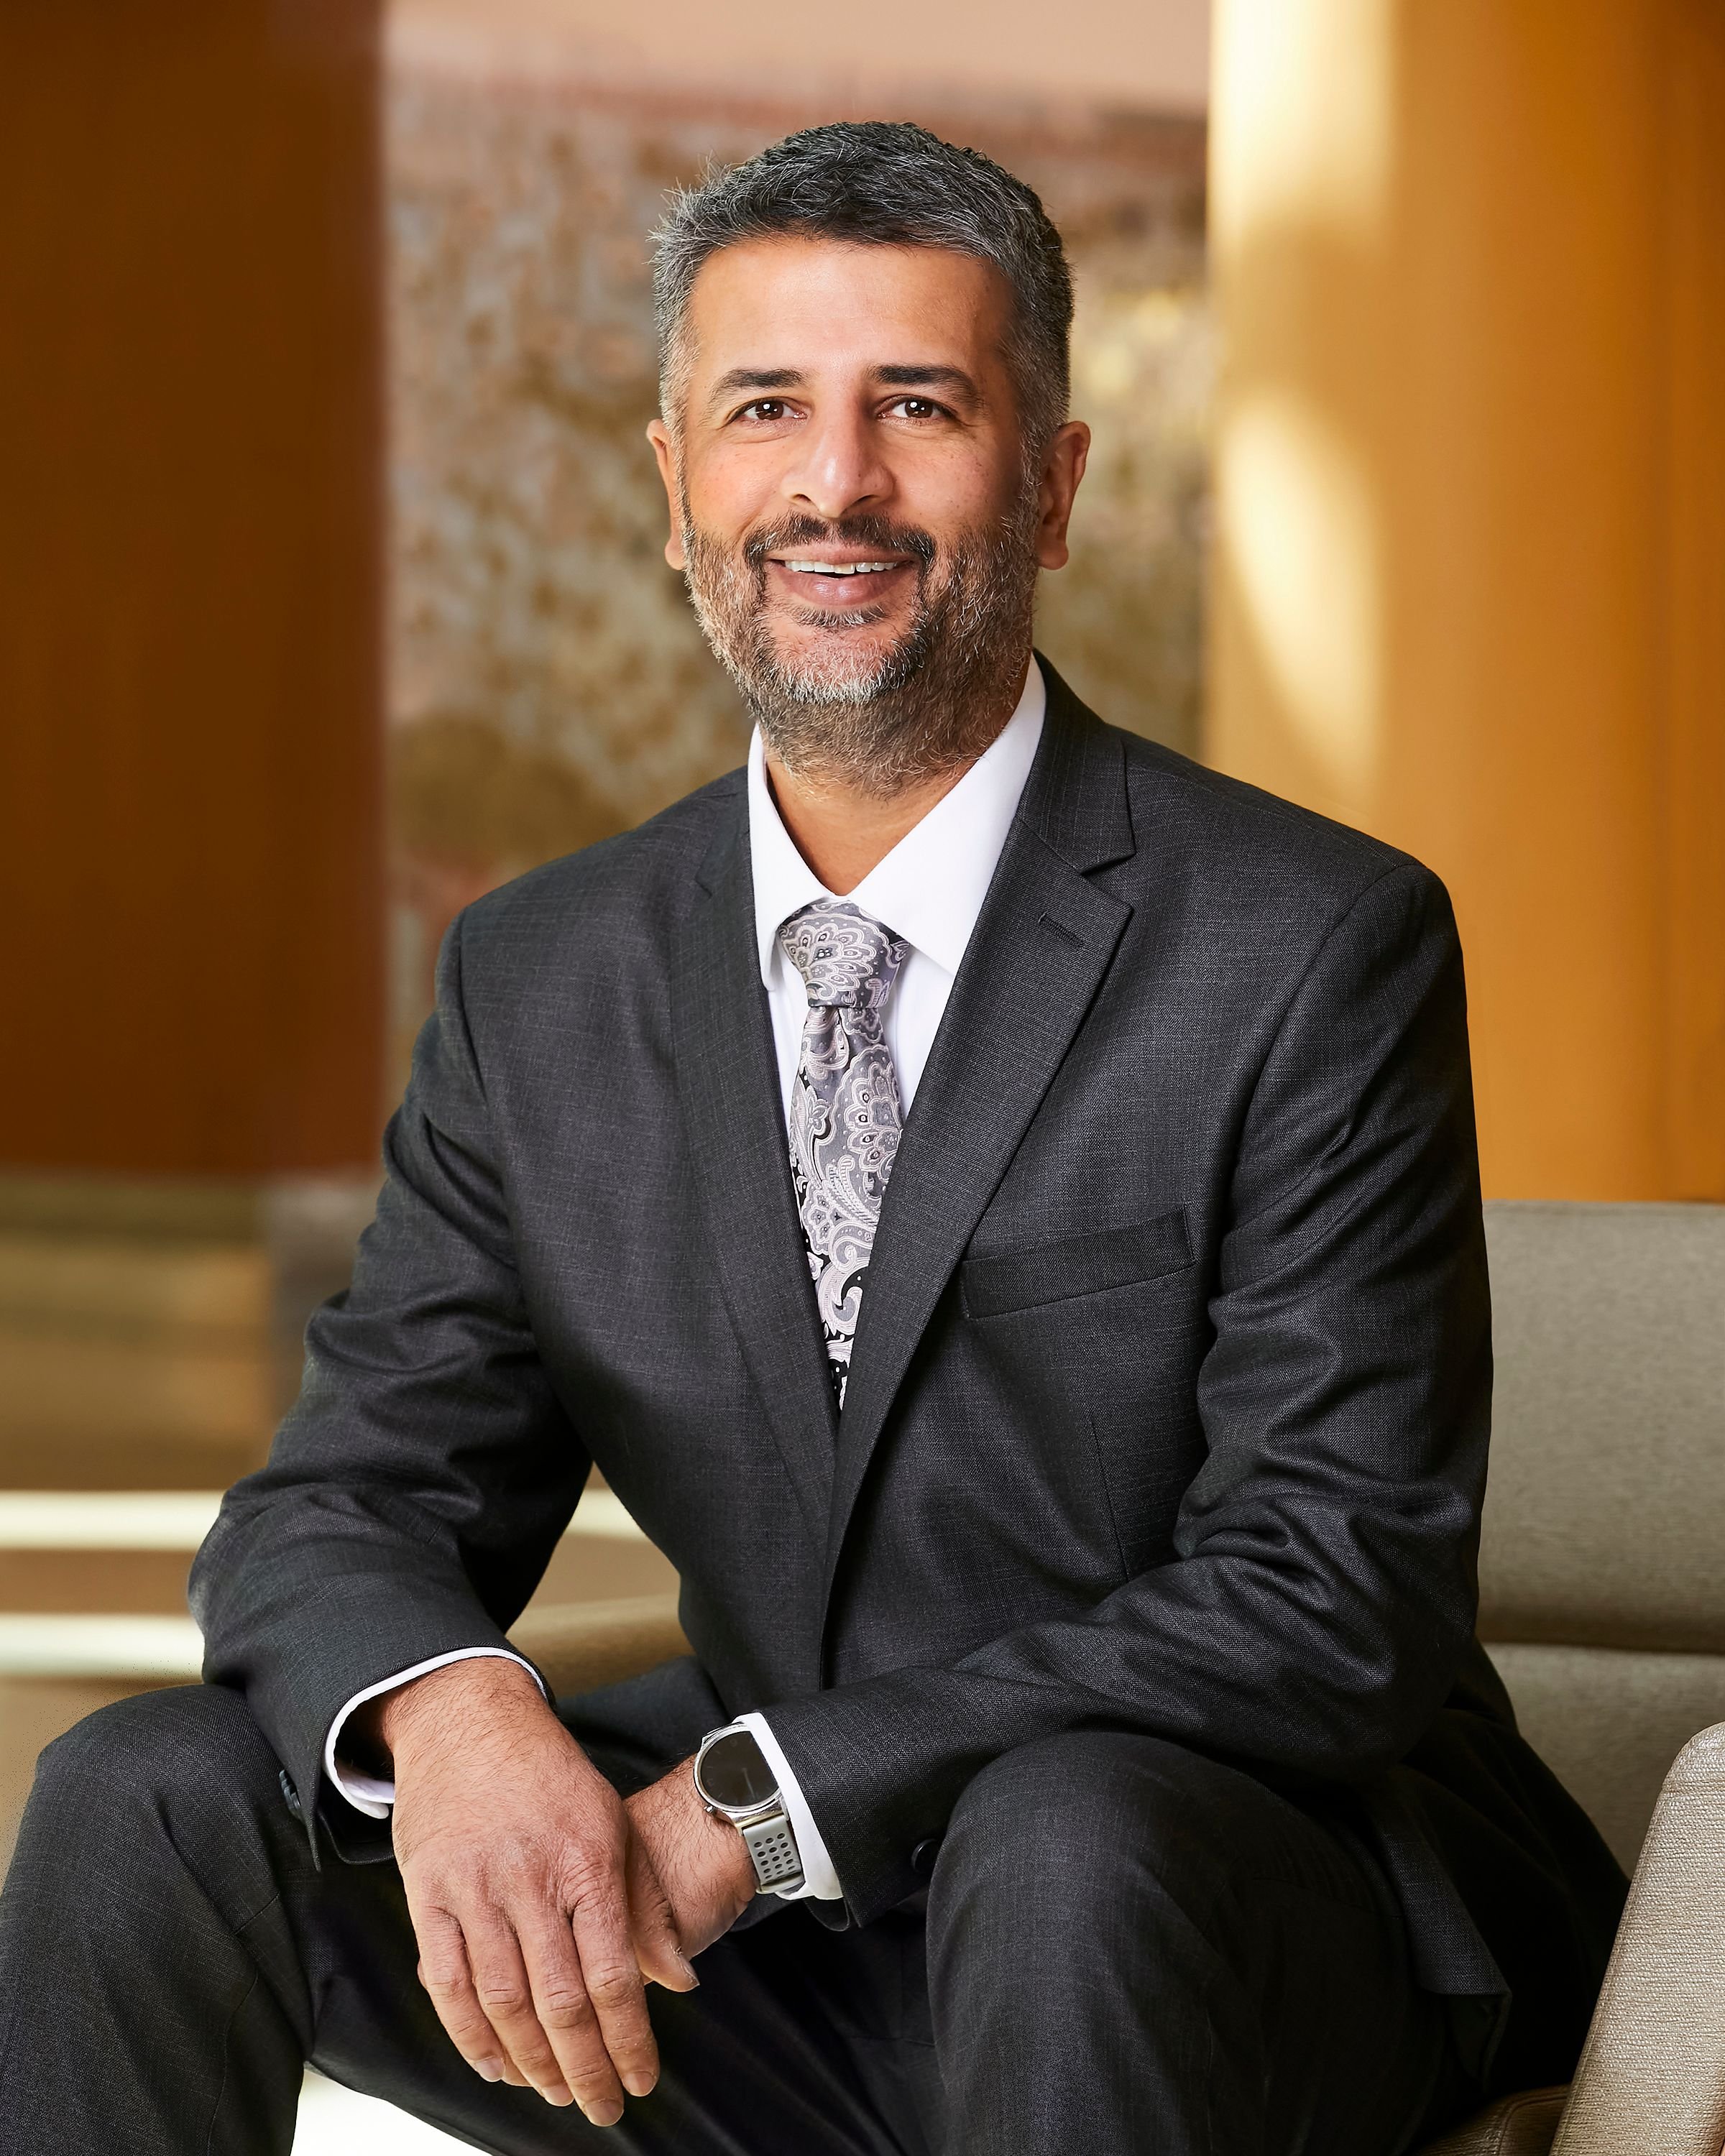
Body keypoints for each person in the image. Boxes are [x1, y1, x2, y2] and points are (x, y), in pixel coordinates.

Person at [0, 121, 1625, 2156]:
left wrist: (771, 1805)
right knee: (144, 1794)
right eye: (766, 407)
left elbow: (1333, 1590)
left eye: (917, 407)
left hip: (1228, 1902)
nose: (833, 483)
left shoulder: (1309, 943)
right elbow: (342, 1498)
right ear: (676, 481)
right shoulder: (544, 974)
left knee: (1063, 1839)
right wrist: (453, 1707)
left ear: (1053, 483)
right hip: (768, 1966)